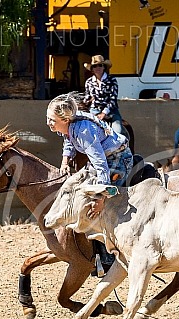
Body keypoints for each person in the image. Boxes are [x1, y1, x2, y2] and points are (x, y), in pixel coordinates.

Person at [46, 92, 133, 277]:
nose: (49, 123)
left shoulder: (84, 131)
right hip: (103, 160)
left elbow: (101, 164)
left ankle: (110, 256)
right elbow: (68, 141)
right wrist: (64, 162)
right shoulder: (70, 126)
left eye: (52, 119)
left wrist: (101, 197)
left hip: (116, 161)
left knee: (102, 206)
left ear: (64, 118)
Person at [83, 55, 128, 139]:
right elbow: (87, 97)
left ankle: (122, 149)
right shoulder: (89, 82)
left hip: (111, 111)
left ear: (104, 67)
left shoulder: (112, 80)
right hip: (94, 111)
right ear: (92, 69)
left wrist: (104, 113)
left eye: (100, 65)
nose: (98, 68)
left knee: (117, 131)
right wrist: (86, 101)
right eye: (95, 66)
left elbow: (113, 99)